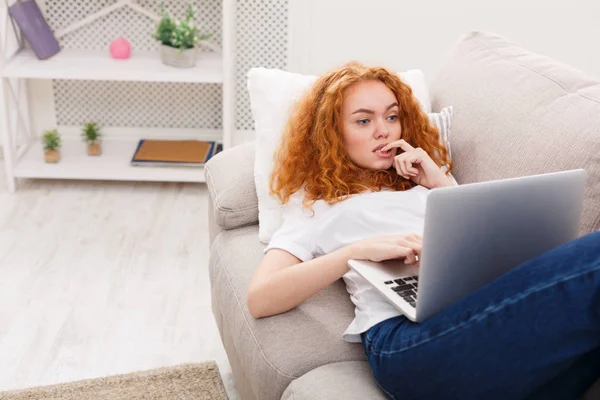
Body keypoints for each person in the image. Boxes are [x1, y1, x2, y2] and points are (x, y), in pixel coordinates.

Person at [247, 61, 600, 400]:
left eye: (391, 116)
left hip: (476, 314)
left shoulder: (423, 187)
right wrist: (354, 254)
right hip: (408, 343)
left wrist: (438, 179)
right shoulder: (318, 207)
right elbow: (261, 297)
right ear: (332, 133)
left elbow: (487, 242)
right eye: (363, 120)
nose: (383, 130)